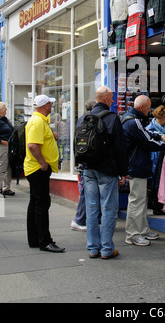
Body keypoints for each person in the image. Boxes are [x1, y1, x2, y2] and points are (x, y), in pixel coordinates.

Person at [122, 95, 165, 246]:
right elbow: (147, 141)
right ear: (141, 108)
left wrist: (162, 136)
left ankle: (143, 230)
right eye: (148, 107)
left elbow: (147, 135)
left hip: (137, 165)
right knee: (136, 201)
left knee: (141, 201)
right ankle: (133, 234)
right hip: (136, 166)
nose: (150, 110)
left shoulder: (132, 119)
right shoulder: (133, 121)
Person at [83, 86, 128, 259]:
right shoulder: (111, 118)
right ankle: (107, 249)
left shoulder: (84, 117)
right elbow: (119, 147)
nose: (113, 101)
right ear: (105, 98)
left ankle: (93, 248)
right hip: (107, 170)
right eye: (111, 98)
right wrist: (123, 171)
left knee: (92, 208)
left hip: (88, 169)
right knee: (108, 209)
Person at [24, 94, 65, 253]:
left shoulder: (40, 121)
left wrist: (51, 138)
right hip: (37, 169)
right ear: (45, 106)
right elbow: (33, 145)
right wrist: (42, 163)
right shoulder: (38, 121)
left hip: (35, 168)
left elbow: (38, 141)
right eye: (50, 104)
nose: (51, 106)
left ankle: (34, 239)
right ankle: (45, 241)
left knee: (35, 203)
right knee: (41, 204)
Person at [71, 99, 96, 232]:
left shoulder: (82, 118)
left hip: (82, 157)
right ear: (93, 107)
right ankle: (79, 219)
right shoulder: (89, 119)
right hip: (88, 160)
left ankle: (83, 218)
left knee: (86, 190)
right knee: (86, 191)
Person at [146, 105, 165, 215]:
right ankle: (156, 206)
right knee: (157, 183)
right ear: (159, 117)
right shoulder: (150, 129)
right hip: (156, 158)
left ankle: (164, 205)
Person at [0, 102, 15, 196]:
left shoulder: (5, 119)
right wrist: (1, 141)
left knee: (8, 167)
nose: (6, 110)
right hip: (3, 146)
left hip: (9, 146)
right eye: (5, 108)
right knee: (2, 167)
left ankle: (6, 188)